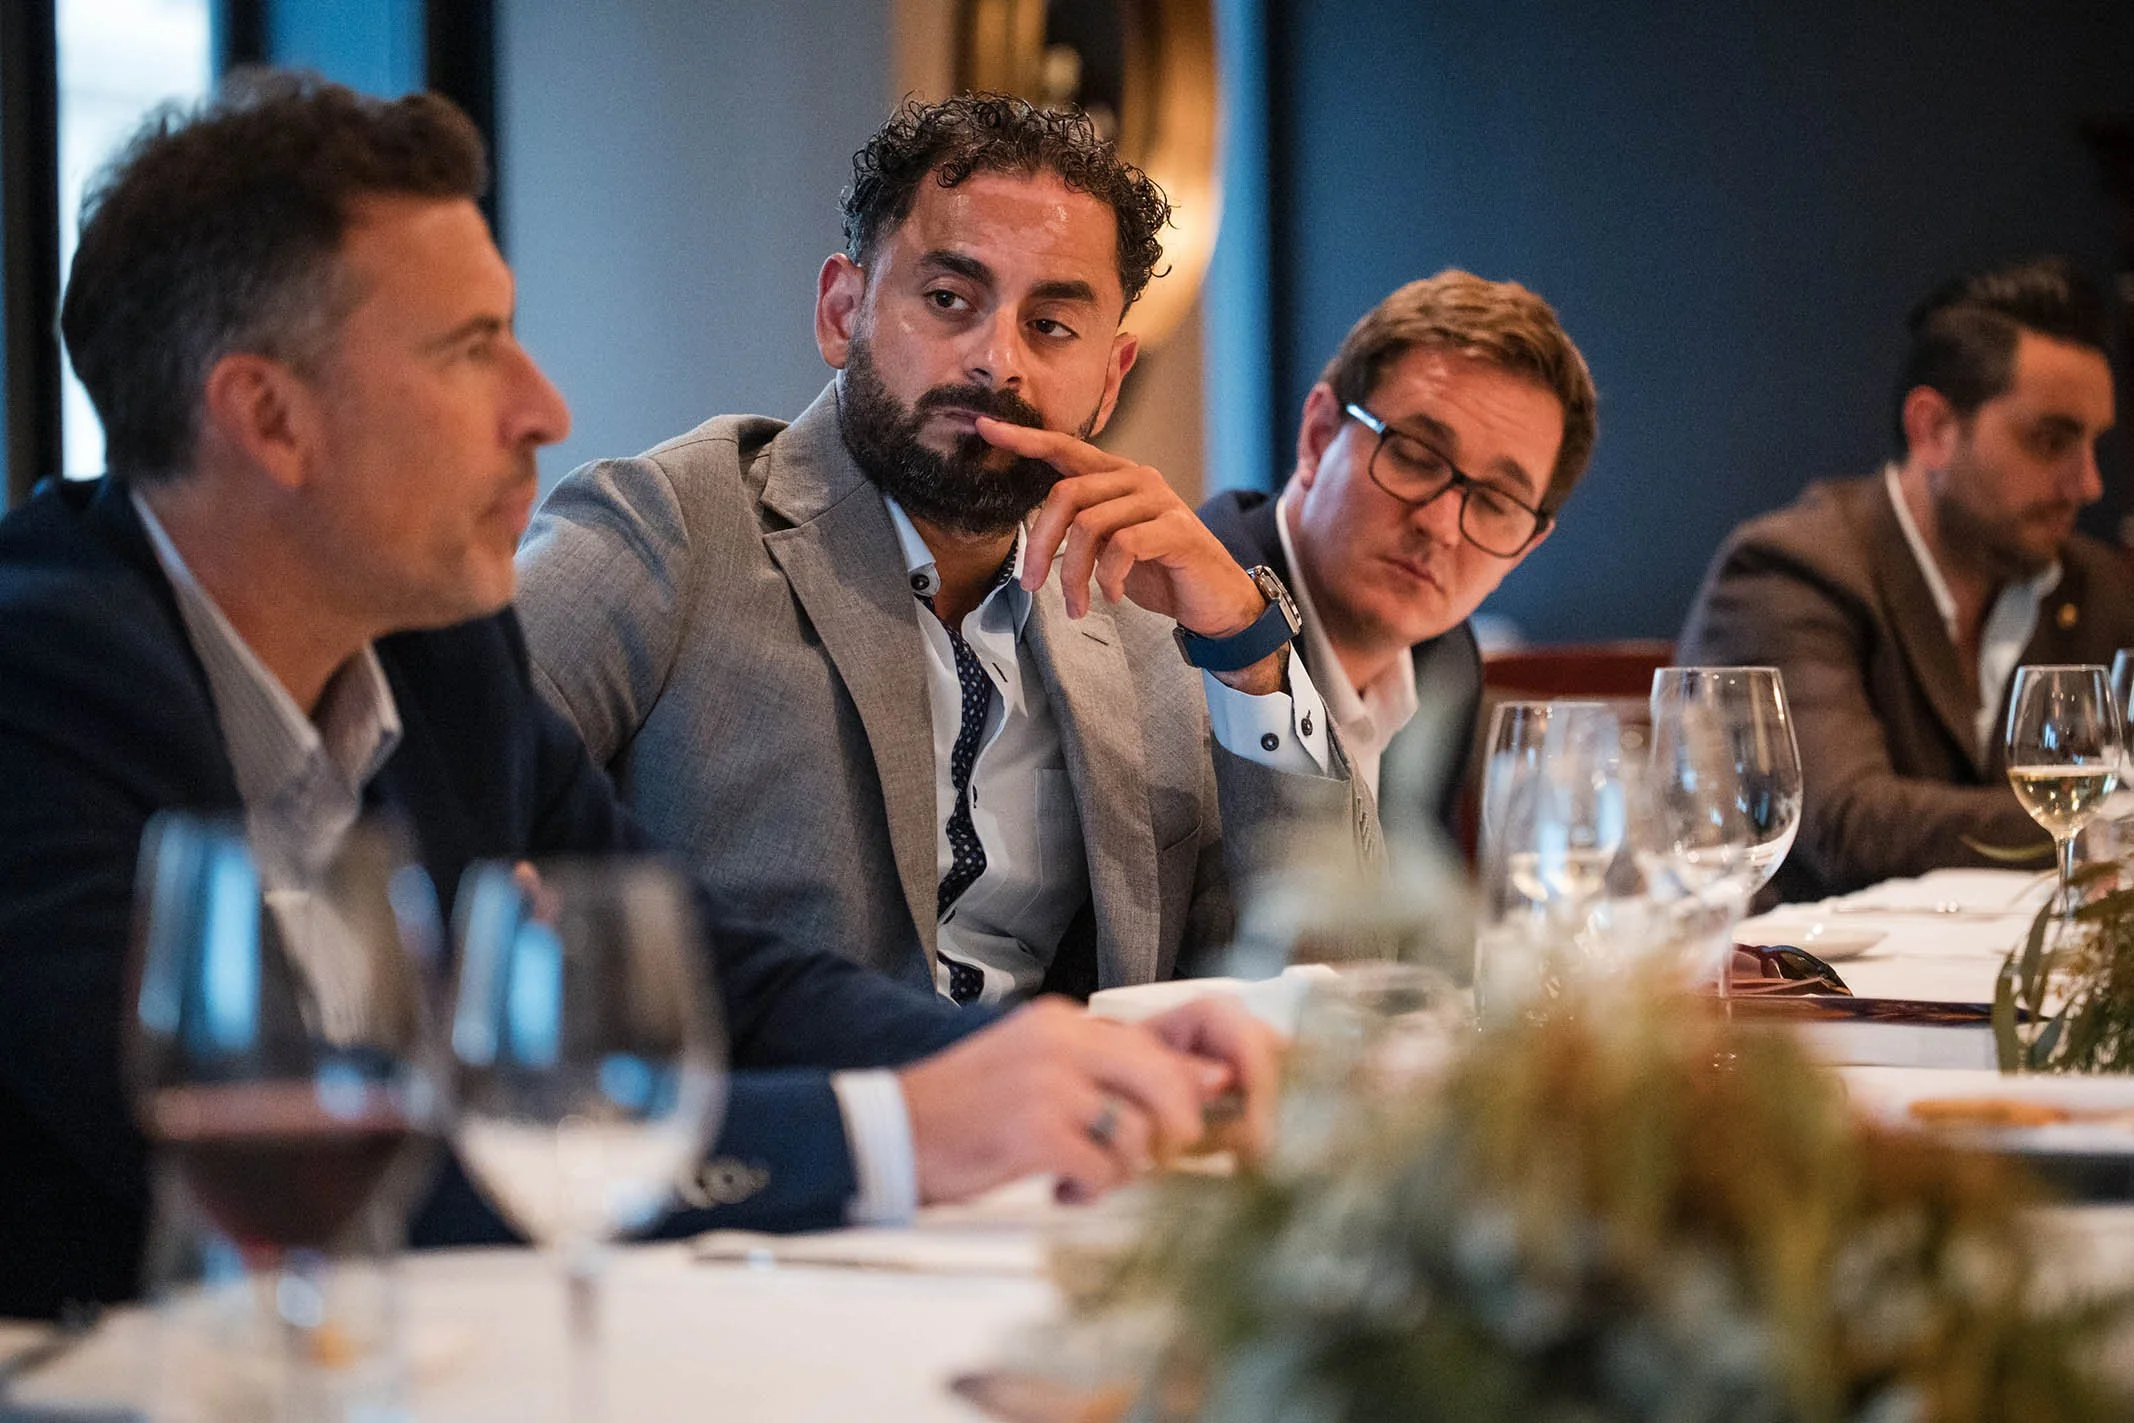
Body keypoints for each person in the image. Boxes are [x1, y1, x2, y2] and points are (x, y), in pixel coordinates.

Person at [0, 75, 1275, 1322]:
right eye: (470, 351)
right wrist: (891, 1129)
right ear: (268, 418)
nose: (541, 409)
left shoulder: (440, 656)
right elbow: (324, 1170)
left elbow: (702, 964)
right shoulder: (36, 691)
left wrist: (1005, 1065)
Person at [516, 94, 1370, 1009]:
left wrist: (1247, 648)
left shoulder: (1148, 612)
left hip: (1074, 1135)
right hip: (774, 1129)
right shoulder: (668, 526)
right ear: (844, 311)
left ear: (1111, 375)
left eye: (1050, 326)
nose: (997, 362)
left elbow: (1331, 972)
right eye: (950, 299)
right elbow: (424, 795)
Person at [1678, 256, 2134, 902]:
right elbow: (1847, 822)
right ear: (1934, 430)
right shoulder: (1790, 569)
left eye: (2094, 445)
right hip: (1802, 989)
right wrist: (2099, 823)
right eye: (2051, 440)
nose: (2087, 483)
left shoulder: (2092, 584)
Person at [1198, 271, 1598, 834]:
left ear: (1525, 547)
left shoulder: (1445, 662)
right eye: (1414, 455)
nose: (1441, 526)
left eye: (1497, 501)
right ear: (1319, 434)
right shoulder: (1188, 623)